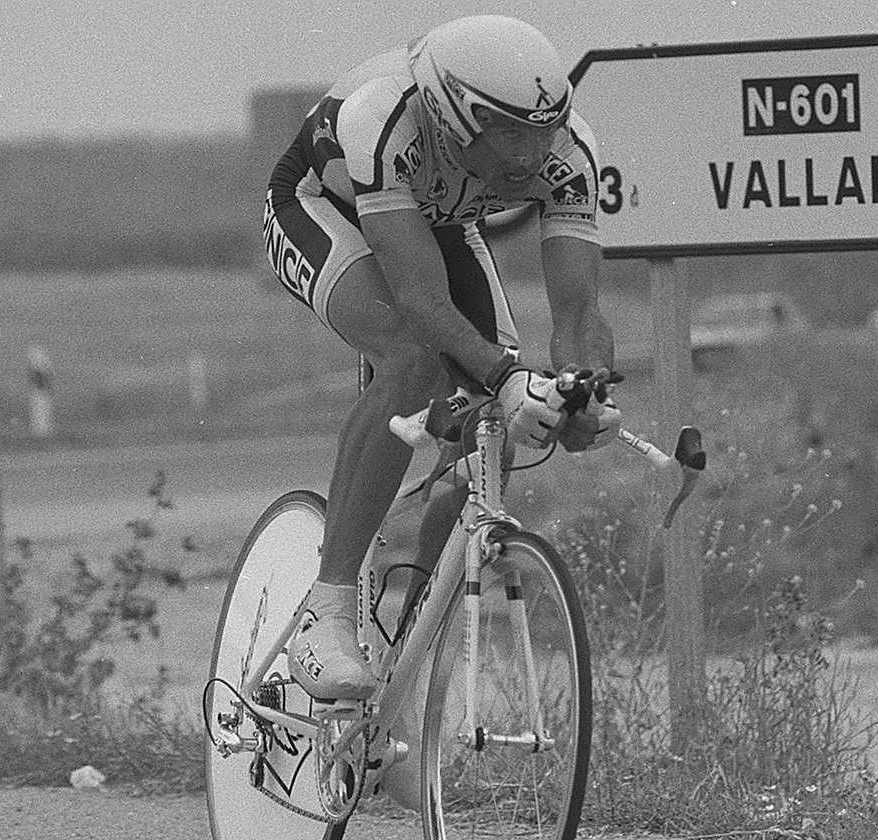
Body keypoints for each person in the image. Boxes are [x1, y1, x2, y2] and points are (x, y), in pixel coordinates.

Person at [263, 14, 620, 701]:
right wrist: (509, 376)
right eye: (509, 132)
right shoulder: (383, 116)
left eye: (541, 130)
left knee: (493, 433)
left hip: (440, 220)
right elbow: (421, 302)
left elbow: (578, 311)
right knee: (412, 360)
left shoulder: (568, 152)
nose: (527, 154)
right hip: (320, 208)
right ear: (455, 114)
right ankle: (328, 606)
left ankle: (408, 659)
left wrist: (584, 392)